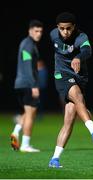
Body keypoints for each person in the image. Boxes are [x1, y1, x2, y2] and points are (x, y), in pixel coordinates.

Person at [48, 12, 93, 168]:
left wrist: (78, 57)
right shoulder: (53, 35)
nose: (65, 32)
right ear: (57, 28)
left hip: (79, 76)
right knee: (78, 96)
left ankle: (54, 159)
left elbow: (87, 50)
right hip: (61, 74)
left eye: (68, 28)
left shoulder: (81, 37)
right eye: (62, 28)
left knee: (69, 120)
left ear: (74, 27)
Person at [10, 19, 43, 152]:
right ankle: (25, 145)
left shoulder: (26, 43)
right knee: (31, 114)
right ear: (30, 31)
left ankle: (16, 131)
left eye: (41, 31)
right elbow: (28, 66)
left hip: (20, 84)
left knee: (28, 112)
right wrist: (34, 85)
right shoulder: (28, 44)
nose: (39, 33)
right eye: (36, 31)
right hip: (28, 84)